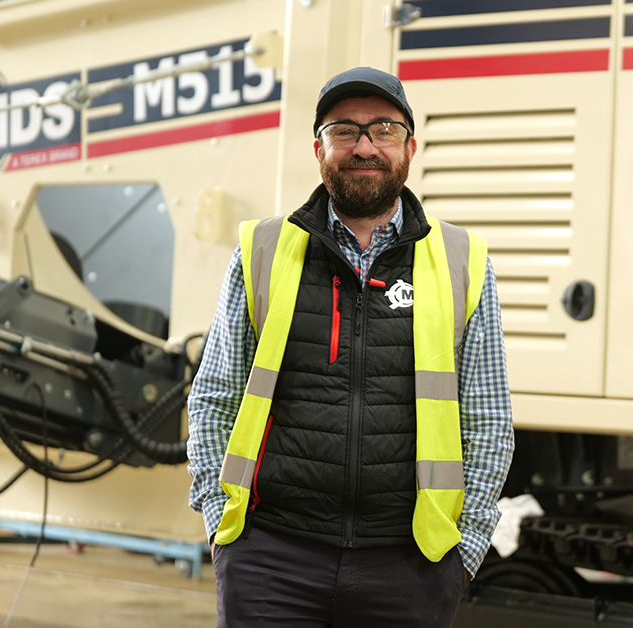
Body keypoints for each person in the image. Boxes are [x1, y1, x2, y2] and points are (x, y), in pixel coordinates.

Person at [186, 66, 514, 627]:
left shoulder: (462, 261)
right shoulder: (262, 249)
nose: (364, 146)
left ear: (410, 147)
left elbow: (488, 418)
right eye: (344, 131)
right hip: (271, 560)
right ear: (319, 148)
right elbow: (215, 395)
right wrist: (223, 525)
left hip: (409, 565)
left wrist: (465, 548)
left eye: (382, 130)